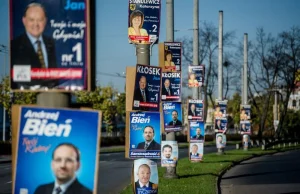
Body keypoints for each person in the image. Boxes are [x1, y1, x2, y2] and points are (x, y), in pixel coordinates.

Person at [11, 3, 57, 89]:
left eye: (40, 20)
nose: (36, 24)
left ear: (45, 21)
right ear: (24, 21)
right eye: (31, 20)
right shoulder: (14, 46)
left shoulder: (51, 43)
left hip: (52, 98)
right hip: (26, 98)